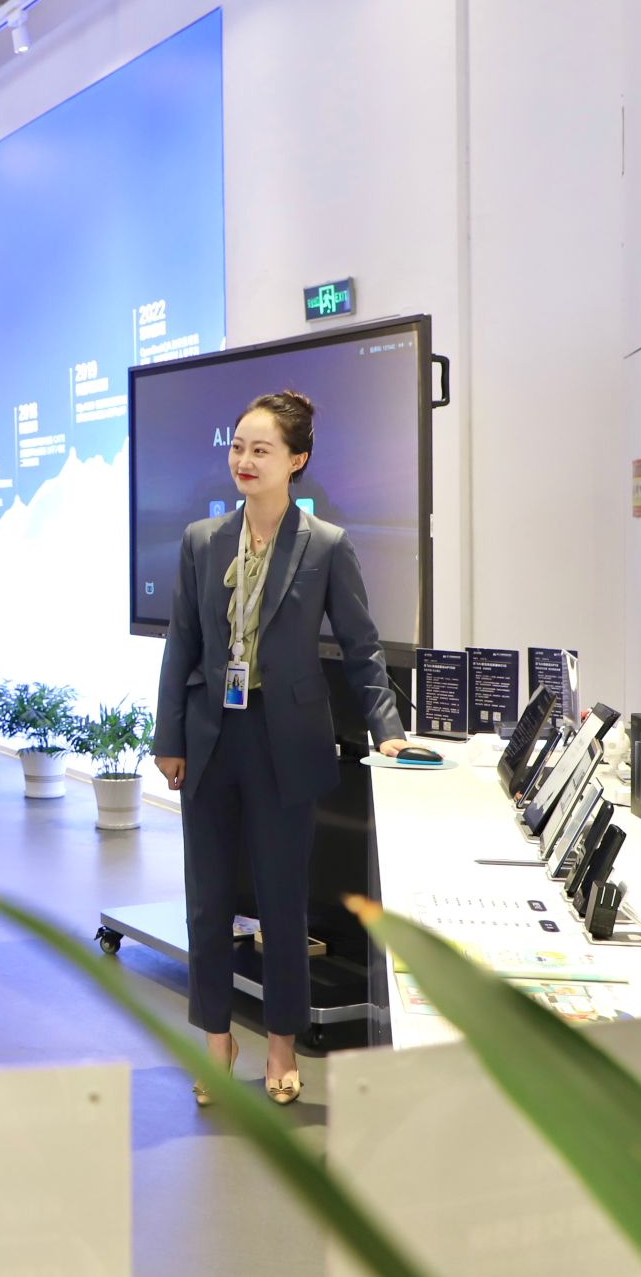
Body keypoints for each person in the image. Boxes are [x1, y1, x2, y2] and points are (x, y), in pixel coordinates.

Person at [152, 390, 412, 1108]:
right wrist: (167, 736)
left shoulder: (325, 545)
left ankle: (281, 1044)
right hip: (210, 736)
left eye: (260, 449)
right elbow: (182, 644)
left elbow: (361, 648)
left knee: (282, 904)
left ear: (296, 460)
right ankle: (216, 1043)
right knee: (207, 902)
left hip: (285, 742)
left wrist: (386, 727)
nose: (243, 460)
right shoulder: (202, 541)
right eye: (237, 447)